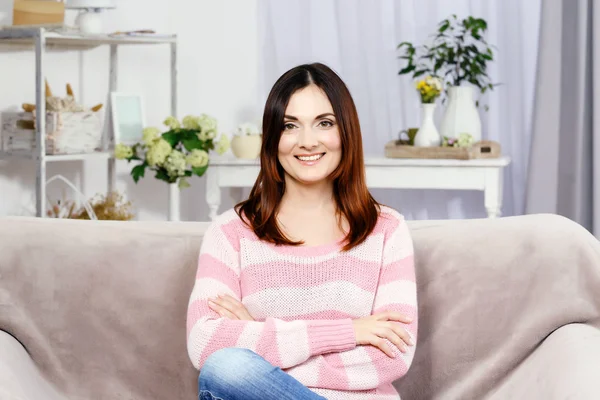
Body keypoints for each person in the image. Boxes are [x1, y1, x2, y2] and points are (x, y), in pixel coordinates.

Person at [186, 63, 418, 400]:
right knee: (228, 368)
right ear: (272, 139)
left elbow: (393, 355)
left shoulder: (387, 229)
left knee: (238, 367)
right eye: (290, 126)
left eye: (324, 123)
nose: (307, 142)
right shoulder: (230, 233)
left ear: (346, 132)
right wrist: (349, 332)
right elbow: (206, 346)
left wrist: (260, 344)